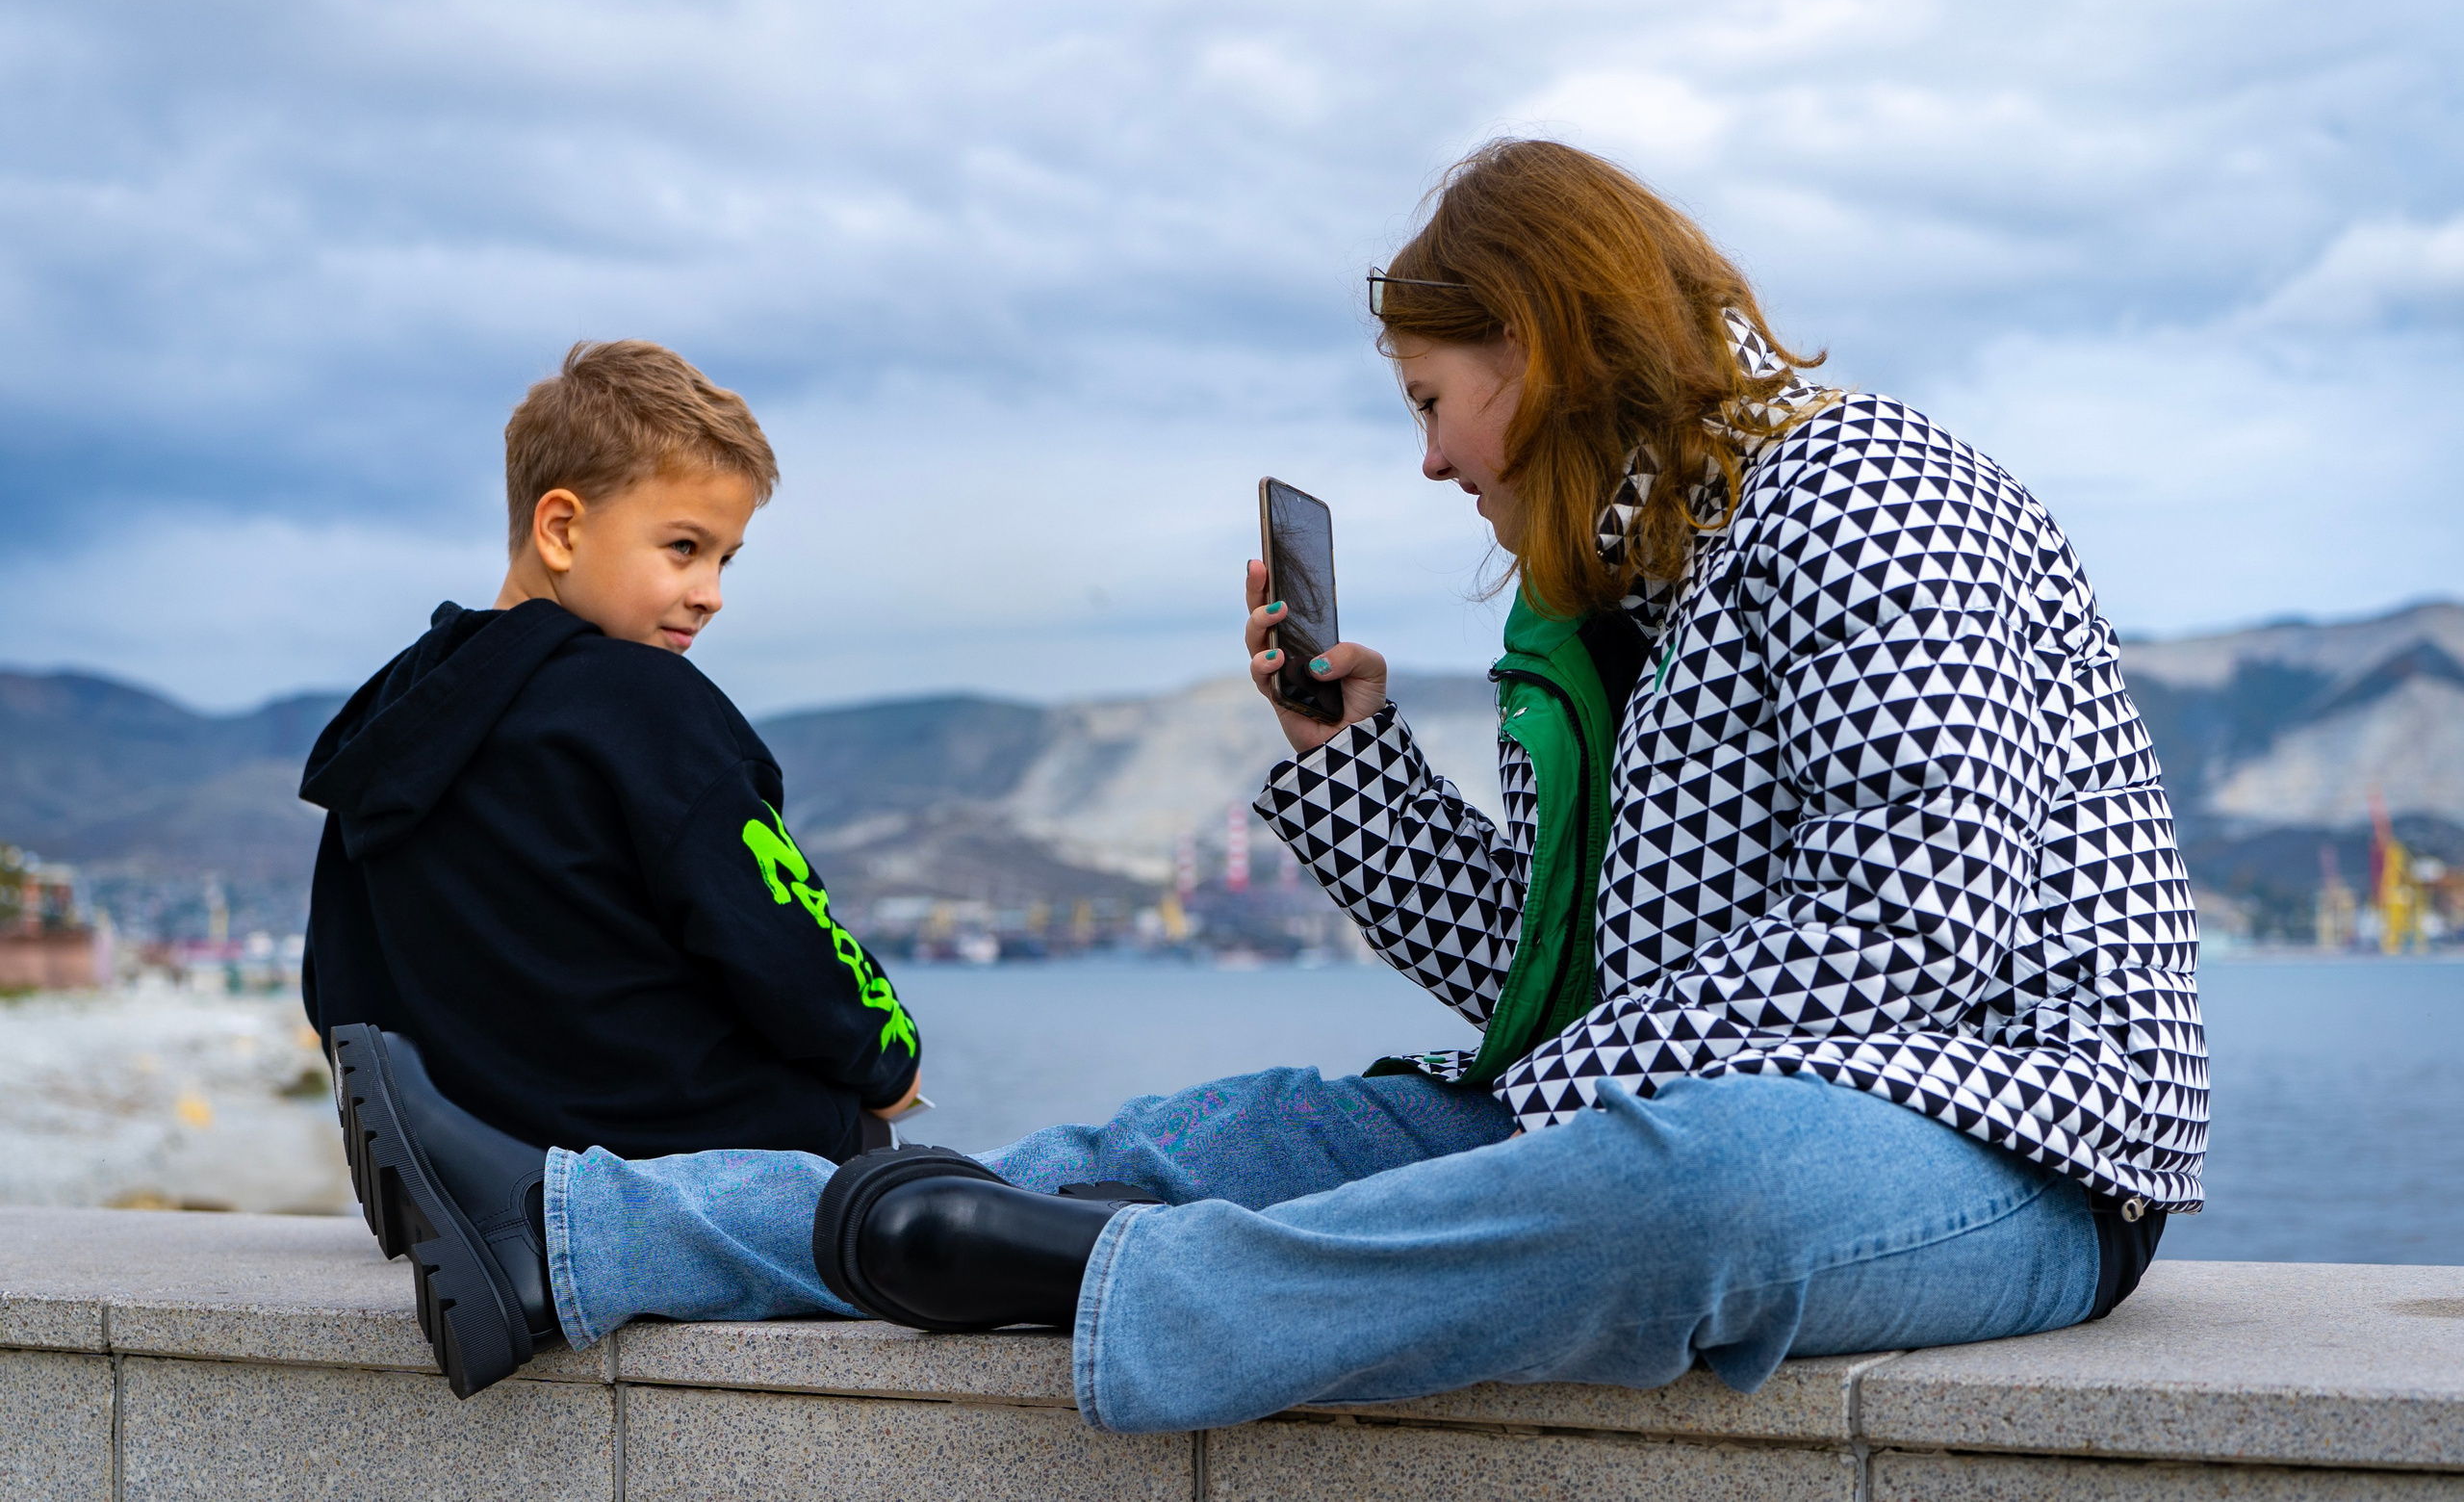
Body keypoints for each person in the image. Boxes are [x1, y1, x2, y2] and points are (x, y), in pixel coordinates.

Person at [343, 142, 2204, 1418]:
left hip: (2003, 1142)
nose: (1429, 463)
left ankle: (1112, 1286)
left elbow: (1911, 921)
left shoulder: (1871, 490)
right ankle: (563, 1231)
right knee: (1161, 1147)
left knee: (1689, 1193)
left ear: (1543, 352)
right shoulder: (1612, 598)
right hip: (1634, 1097)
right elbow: (1546, 983)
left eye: (1432, 400)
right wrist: (1354, 762)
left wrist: (1547, 1112)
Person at [302, 342, 923, 1364]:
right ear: (561, 527)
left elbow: (332, 978)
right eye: (683, 548)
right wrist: (889, 1060)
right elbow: (780, 935)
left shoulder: (392, 718)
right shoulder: (646, 702)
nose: (710, 591)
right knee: (928, 1183)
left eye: (724, 559)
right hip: (673, 1160)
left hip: (469, 1162)